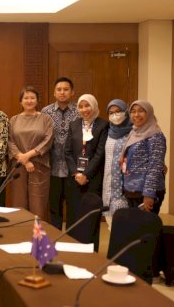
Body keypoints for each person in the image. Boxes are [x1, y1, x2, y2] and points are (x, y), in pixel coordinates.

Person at [64, 94, 108, 249]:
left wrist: (86, 174)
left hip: (93, 179)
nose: (84, 110)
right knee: (73, 215)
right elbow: (67, 152)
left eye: (87, 105)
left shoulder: (103, 125)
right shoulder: (74, 124)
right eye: (81, 106)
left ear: (94, 106)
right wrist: (76, 173)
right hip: (74, 179)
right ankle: (72, 248)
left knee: (90, 216)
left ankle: (91, 251)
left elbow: (100, 154)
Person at [7, 87, 53, 220]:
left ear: (37, 100)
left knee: (38, 204)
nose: (29, 100)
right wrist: (24, 160)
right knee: (18, 202)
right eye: (25, 98)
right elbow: (9, 141)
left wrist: (28, 156)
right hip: (18, 166)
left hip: (39, 165)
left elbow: (48, 140)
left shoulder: (46, 119)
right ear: (20, 101)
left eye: (32, 98)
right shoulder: (13, 120)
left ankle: (38, 237)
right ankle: (21, 234)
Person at [41, 77, 79, 230]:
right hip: (52, 166)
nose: (62, 92)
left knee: (73, 207)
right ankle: (55, 239)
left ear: (72, 92)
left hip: (74, 168)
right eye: (59, 89)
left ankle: (70, 240)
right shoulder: (46, 111)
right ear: (55, 92)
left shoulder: (80, 111)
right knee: (54, 208)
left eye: (66, 89)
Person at [121, 100, 167, 214]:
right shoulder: (133, 132)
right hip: (132, 190)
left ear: (149, 113)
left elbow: (155, 166)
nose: (136, 115)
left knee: (145, 230)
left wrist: (149, 194)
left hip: (145, 192)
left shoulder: (155, 135)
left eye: (141, 111)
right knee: (135, 229)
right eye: (133, 111)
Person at [102, 99, 132, 228]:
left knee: (123, 223)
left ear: (126, 111)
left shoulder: (133, 131)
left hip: (124, 184)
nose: (115, 115)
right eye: (111, 112)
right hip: (108, 182)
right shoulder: (108, 131)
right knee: (110, 221)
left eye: (118, 111)